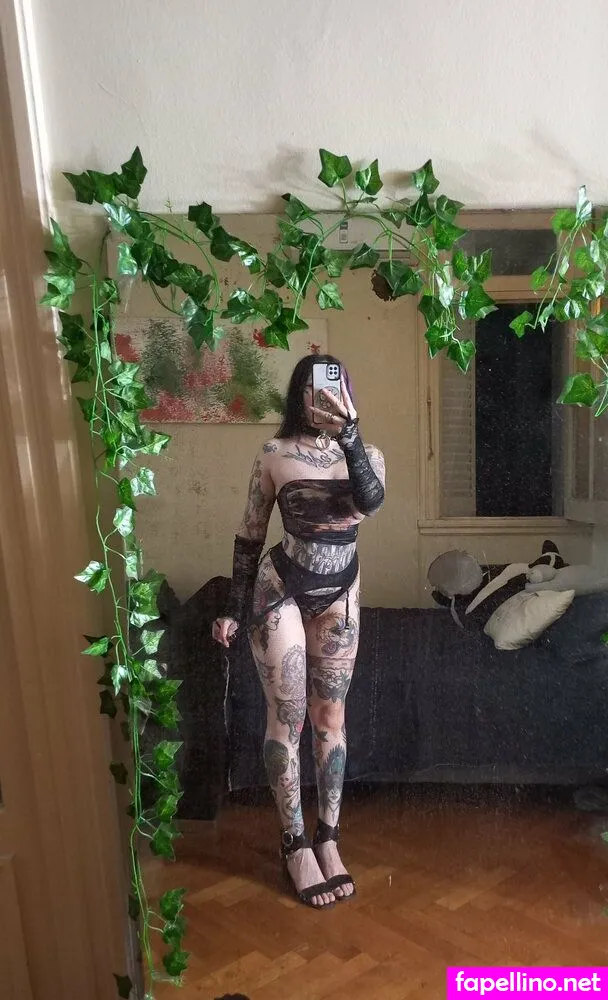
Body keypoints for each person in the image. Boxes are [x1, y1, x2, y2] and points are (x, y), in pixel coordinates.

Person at [212, 355, 385, 909]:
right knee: (287, 718)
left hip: (340, 594)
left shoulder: (369, 455)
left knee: (330, 717)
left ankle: (327, 838)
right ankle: (293, 843)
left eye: (332, 387)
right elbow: (249, 534)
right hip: (280, 588)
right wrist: (234, 608)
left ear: (346, 393)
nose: (321, 398)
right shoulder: (274, 453)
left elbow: (371, 502)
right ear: (297, 395)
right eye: (312, 389)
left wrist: (350, 436)